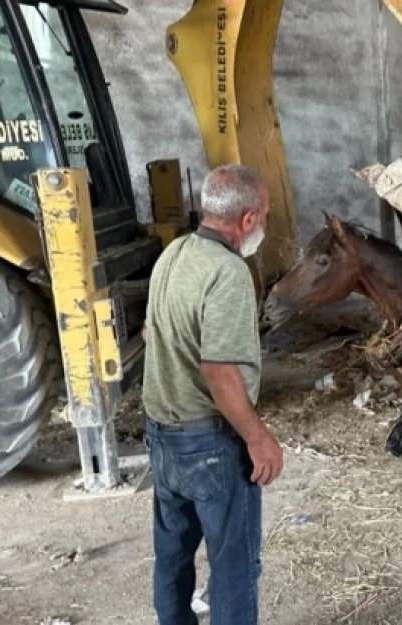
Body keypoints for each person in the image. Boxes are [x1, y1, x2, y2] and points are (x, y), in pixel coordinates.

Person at [141, 163, 284, 624]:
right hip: (210, 446)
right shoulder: (228, 272)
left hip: (163, 438)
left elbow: (150, 334)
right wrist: (258, 437)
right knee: (233, 570)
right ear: (247, 219)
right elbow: (219, 370)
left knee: (173, 558)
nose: (263, 222)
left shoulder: (174, 254)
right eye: (263, 214)